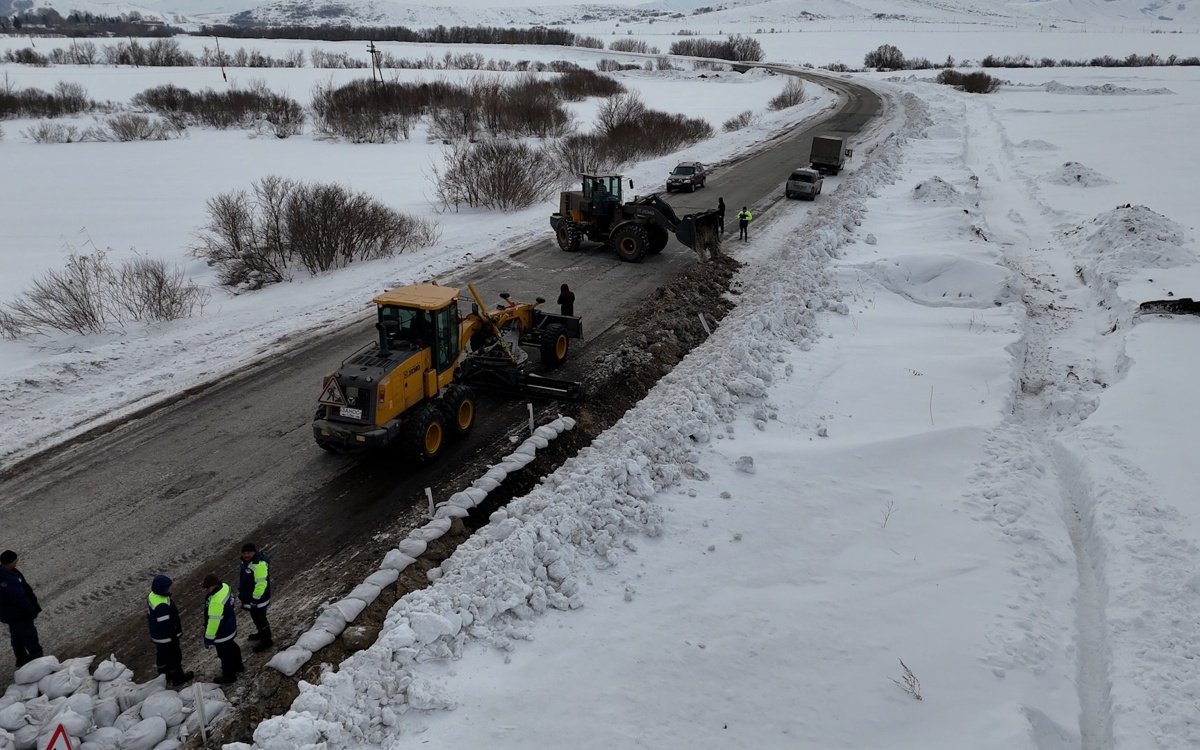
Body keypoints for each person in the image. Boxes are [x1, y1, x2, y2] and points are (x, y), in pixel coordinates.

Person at [146, 574, 193, 687]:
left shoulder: (153, 596)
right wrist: (173, 635)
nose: (169, 589)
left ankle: (164, 676)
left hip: (157, 636)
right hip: (167, 637)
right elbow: (165, 625)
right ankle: (178, 678)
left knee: (162, 656)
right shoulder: (161, 605)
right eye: (167, 587)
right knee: (174, 657)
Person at [0, 550, 43, 667]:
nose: (17, 562)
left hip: (8, 614)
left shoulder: (5, 573)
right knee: (30, 635)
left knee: (16, 636)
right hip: (19, 614)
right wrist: (31, 610)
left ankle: (21, 658)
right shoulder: (9, 579)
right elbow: (20, 598)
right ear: (10, 562)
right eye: (15, 560)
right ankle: (39, 661)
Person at [201, 573, 243, 683]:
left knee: (225, 655)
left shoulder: (216, 602)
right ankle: (239, 666)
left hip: (222, 633)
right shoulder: (224, 587)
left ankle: (229, 675)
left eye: (207, 588)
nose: (205, 590)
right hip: (230, 625)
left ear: (214, 585)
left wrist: (208, 638)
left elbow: (214, 622)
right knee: (232, 646)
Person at [239, 543, 273, 653]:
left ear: (254, 552)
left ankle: (267, 640)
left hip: (258, 600)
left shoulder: (259, 564)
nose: (246, 555)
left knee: (260, 619)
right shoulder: (248, 562)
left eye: (248, 553)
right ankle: (261, 633)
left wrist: (255, 599)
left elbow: (261, 584)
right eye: (244, 553)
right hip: (253, 599)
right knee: (256, 618)